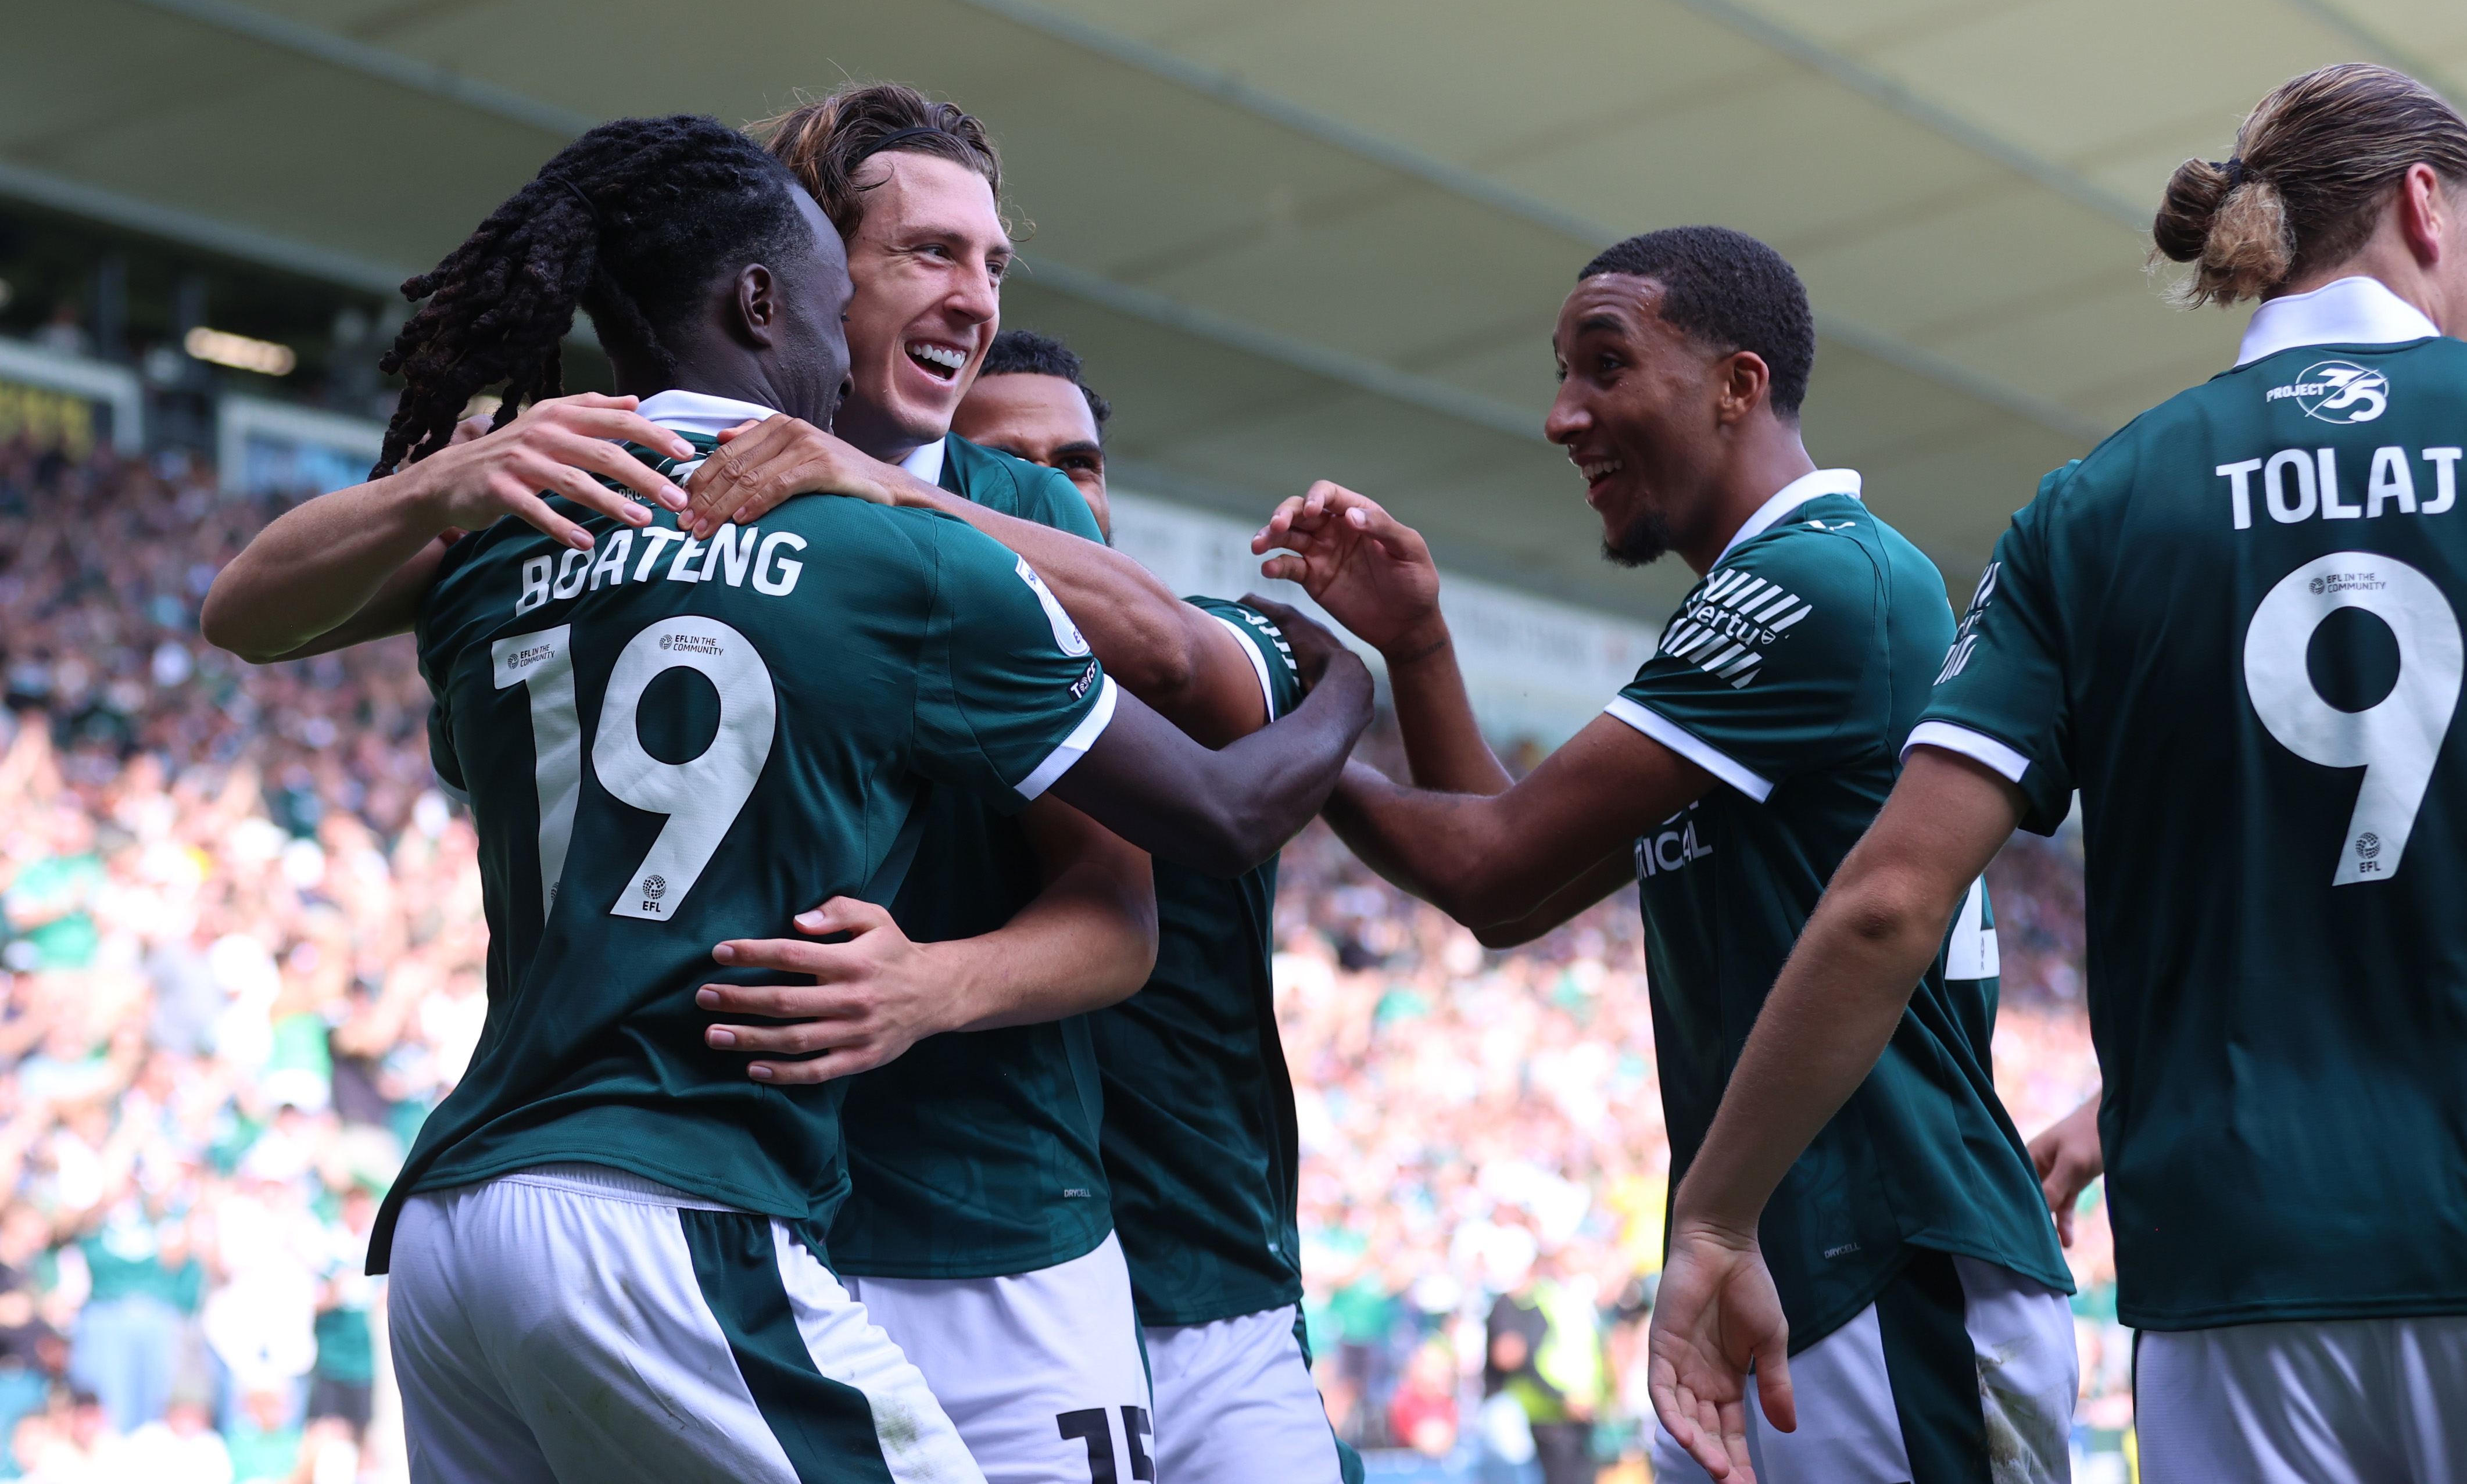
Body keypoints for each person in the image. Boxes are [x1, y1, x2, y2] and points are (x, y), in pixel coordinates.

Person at [234, 113, 1373, 1481]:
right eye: (923, 254)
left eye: (993, 262)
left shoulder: (557, 525)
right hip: (713, 1208)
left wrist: (934, 983)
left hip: (943, 1222)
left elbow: (1122, 912)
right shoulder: (700, 516)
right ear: (789, 282)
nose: (975, 298)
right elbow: (1221, 788)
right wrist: (1356, 677)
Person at [1646, 62, 2467, 1483]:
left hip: (2238, 1266)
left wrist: (1714, 1219)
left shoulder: (2091, 507)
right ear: (2422, 205)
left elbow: (1886, 901)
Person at [1251, 227, 2075, 1484]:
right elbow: (1511, 894)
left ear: (1736, 384)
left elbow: (1487, 859)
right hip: (1775, 1266)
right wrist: (1417, 647)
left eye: (1604, 365)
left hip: (1881, 1257)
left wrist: (1280, 727)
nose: (1560, 415)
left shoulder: (1814, 582)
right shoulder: (1774, 596)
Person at [933, 329, 1363, 1483]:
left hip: (1208, 1302)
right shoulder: (889, 657)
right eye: (1004, 460)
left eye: (1074, 465)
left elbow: (1180, 667)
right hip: (981, 1288)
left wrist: (1366, 668)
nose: (1048, 491)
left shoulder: (1209, 635)